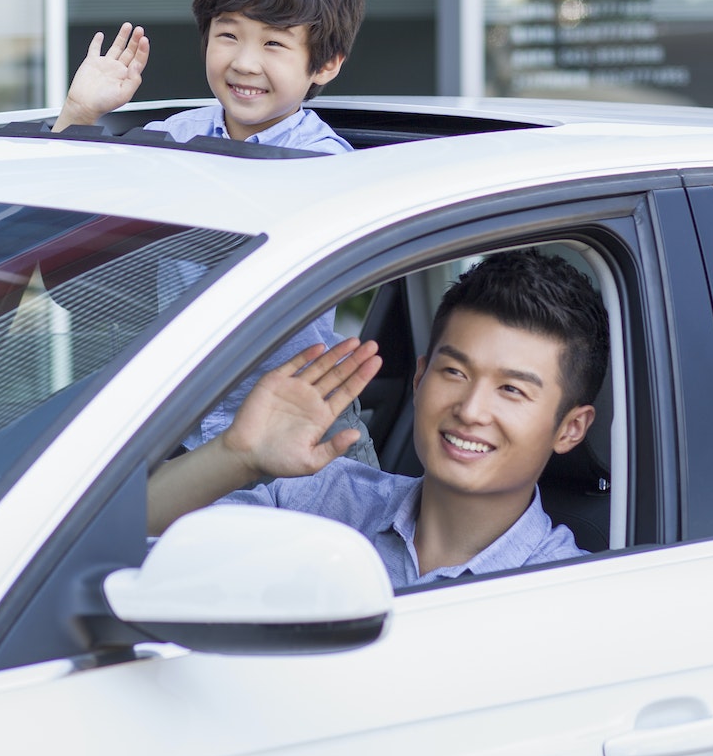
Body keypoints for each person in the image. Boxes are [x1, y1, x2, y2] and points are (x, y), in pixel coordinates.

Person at [58, 0, 371, 456]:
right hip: (179, 426)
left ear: (326, 64)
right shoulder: (173, 137)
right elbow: (69, 220)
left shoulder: (323, 164)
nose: (245, 62)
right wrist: (79, 114)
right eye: (229, 34)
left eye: (274, 44)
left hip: (296, 432)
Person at [147, 250, 606, 587]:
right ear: (419, 378)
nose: (470, 410)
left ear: (571, 428)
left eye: (511, 390)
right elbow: (125, 537)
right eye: (455, 372)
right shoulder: (330, 499)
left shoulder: (571, 592)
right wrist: (237, 455)